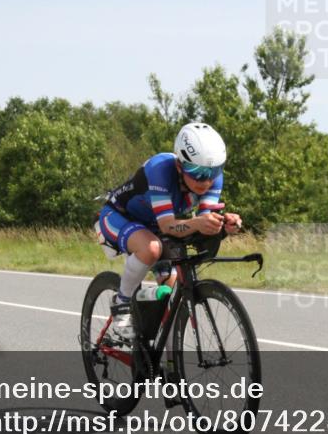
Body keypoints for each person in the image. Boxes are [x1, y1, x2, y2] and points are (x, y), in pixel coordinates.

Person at [96, 122, 242, 339]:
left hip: (155, 226)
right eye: (198, 172)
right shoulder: (160, 169)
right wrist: (198, 223)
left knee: (172, 295)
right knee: (151, 248)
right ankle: (122, 302)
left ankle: (159, 356)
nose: (206, 180)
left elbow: (203, 221)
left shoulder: (211, 179)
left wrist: (223, 223)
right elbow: (168, 226)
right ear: (179, 166)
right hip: (119, 216)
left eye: (214, 171)